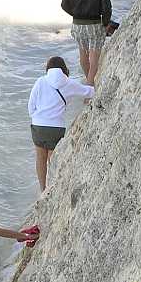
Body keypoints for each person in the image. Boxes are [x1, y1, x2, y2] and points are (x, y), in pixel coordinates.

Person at [28, 56, 95, 192]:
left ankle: (42, 189)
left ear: (48, 69)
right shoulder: (69, 83)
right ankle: (53, 191)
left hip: (38, 126)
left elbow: (31, 106)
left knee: (40, 158)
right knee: (52, 161)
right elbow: (89, 92)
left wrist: (38, 118)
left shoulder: (40, 81)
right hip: (56, 128)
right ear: (64, 69)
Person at [61, 0, 112, 85]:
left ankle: (90, 83)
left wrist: (77, 14)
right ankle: (89, 91)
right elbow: (107, 7)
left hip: (77, 25)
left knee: (83, 56)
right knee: (94, 59)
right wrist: (106, 23)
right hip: (95, 24)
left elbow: (64, 5)